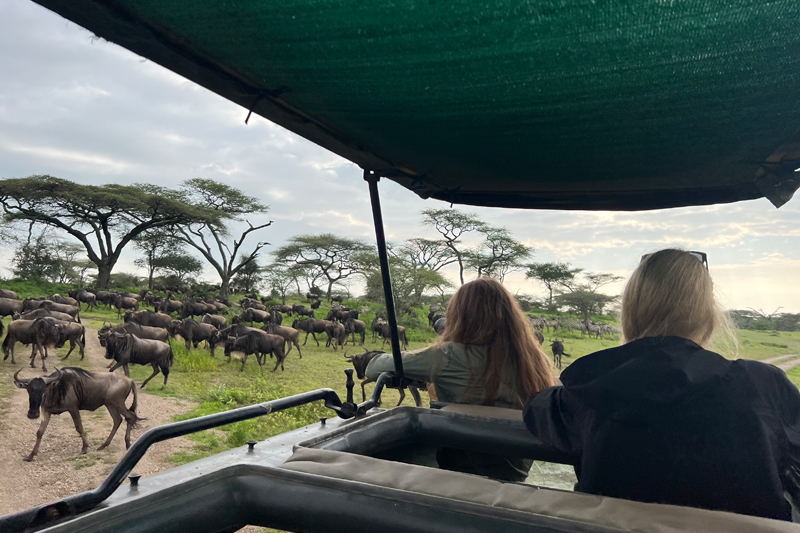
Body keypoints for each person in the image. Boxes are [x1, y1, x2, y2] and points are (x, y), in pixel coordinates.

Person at [523, 249, 800, 520]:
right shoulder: (763, 385)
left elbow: (535, 407)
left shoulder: (586, 389)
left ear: (630, 313)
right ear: (708, 316)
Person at [366, 277, 556, 481]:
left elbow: (374, 368)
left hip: (463, 465)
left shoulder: (451, 356)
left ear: (459, 316)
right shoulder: (535, 359)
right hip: (516, 467)